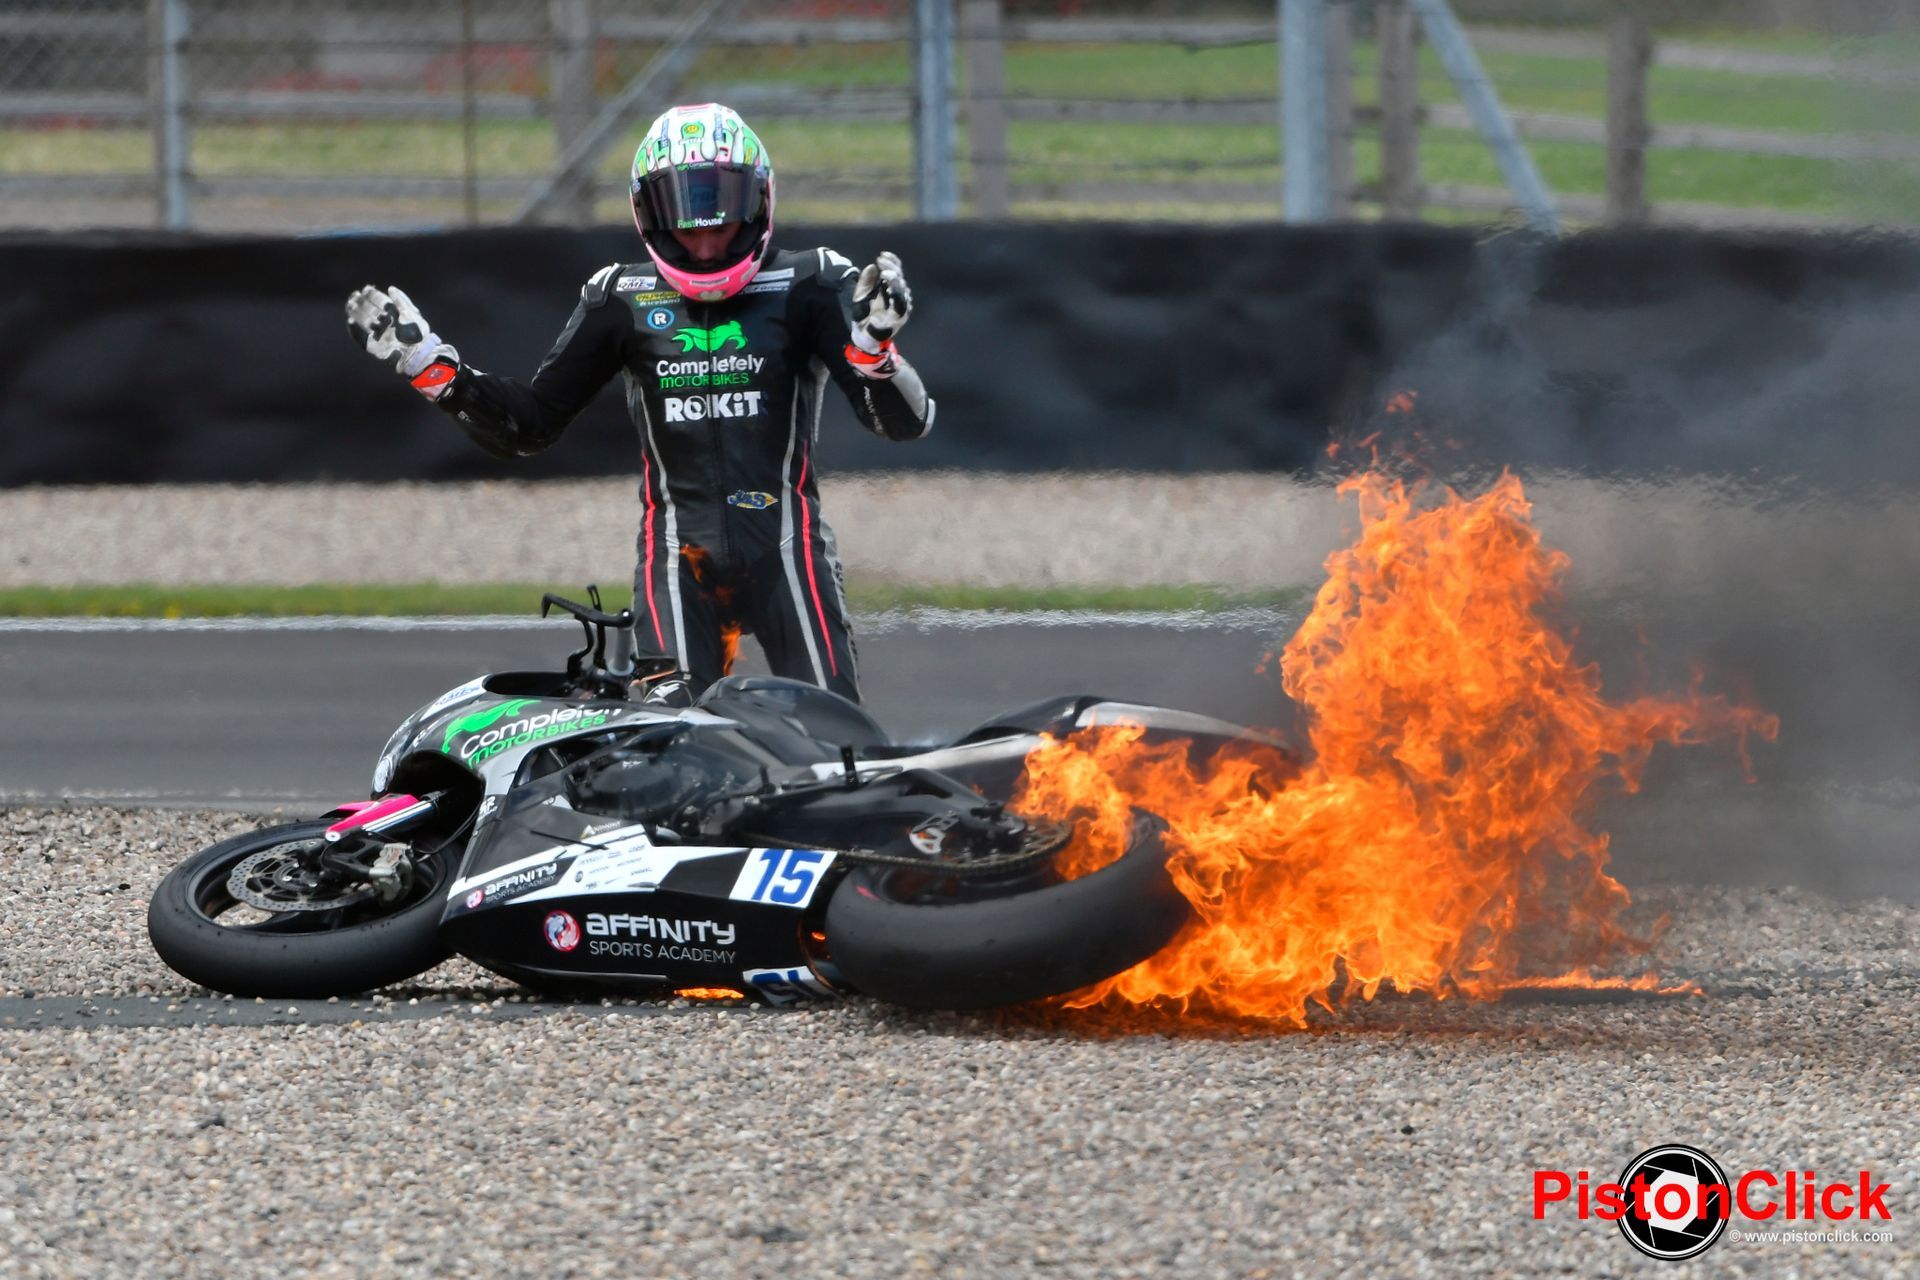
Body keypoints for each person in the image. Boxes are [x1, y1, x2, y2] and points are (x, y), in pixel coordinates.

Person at [345, 102, 932, 705]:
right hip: (676, 559)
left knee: (834, 737)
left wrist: (873, 353)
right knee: (668, 745)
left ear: (758, 204)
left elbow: (904, 424)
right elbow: (532, 425)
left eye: (721, 222)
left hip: (789, 551)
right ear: (649, 215)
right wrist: (436, 372)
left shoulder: (813, 281)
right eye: (687, 224)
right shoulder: (617, 297)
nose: (705, 246)